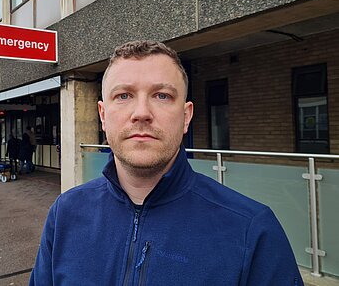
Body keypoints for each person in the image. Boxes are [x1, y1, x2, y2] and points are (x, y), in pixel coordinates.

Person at [30, 40, 303, 285]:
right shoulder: (65, 214)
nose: (141, 113)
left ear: (186, 116)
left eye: (162, 95)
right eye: (123, 96)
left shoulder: (252, 231)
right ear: (103, 115)